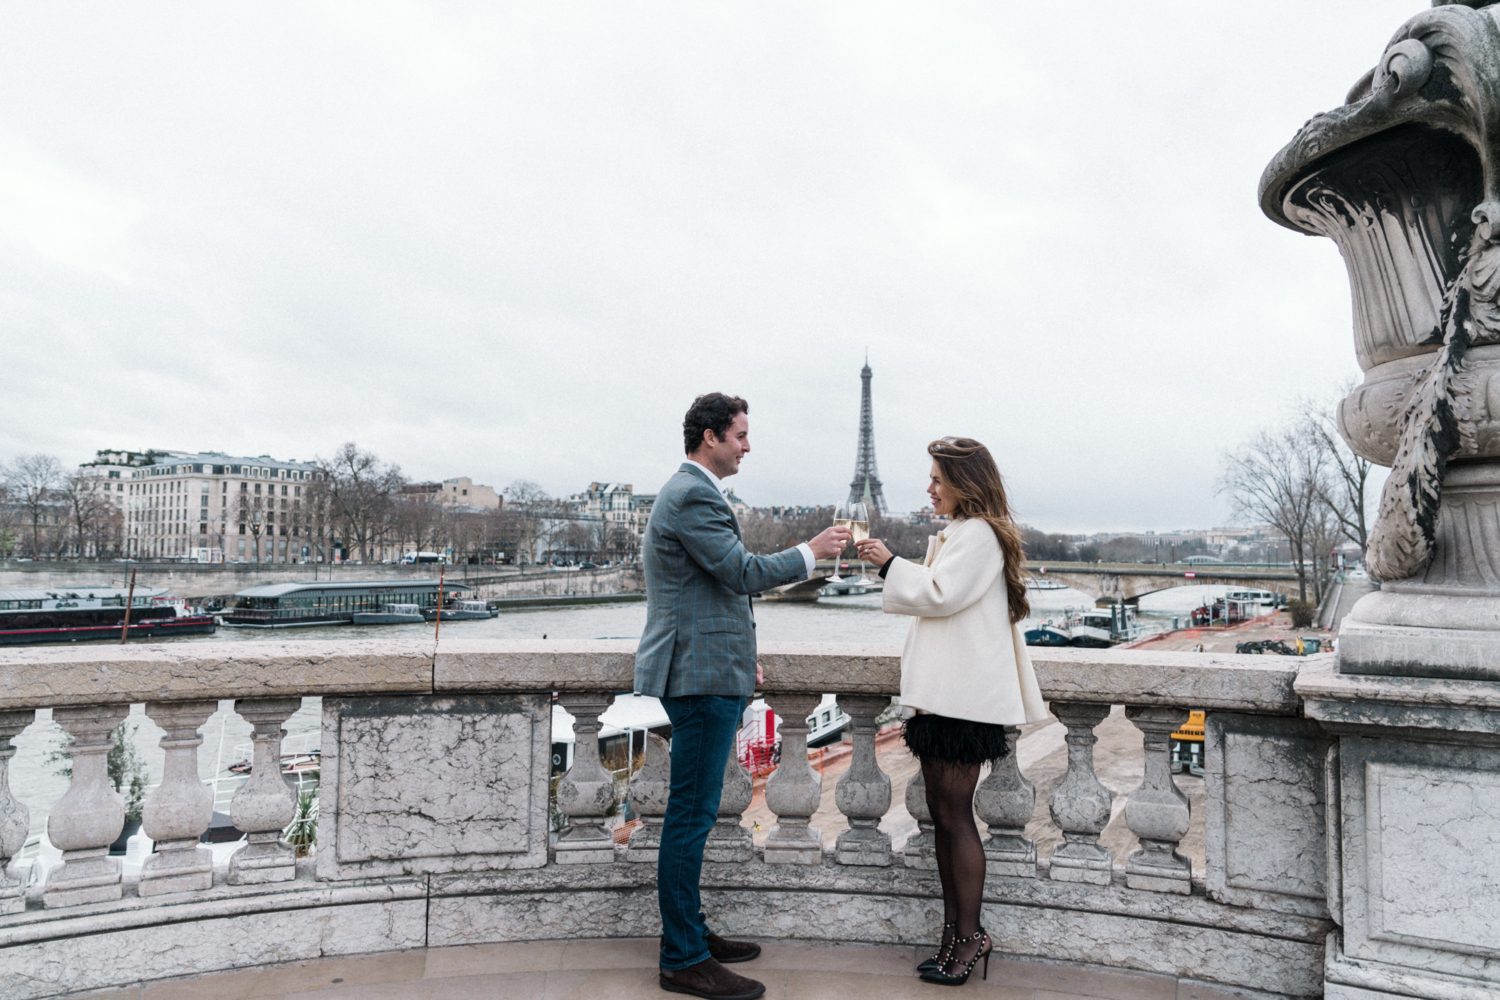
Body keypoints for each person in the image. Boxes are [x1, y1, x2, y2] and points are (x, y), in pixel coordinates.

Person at [636, 392, 851, 1000]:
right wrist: (814, 550)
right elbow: (742, 573)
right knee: (690, 817)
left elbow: (707, 594)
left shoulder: (692, 493)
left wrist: (737, 653)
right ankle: (682, 957)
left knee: (695, 814)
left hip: (712, 669)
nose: (748, 446)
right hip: (699, 680)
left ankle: (693, 935)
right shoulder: (693, 495)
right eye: (740, 435)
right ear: (710, 437)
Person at [855, 436, 1048, 987]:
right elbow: (940, 594)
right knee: (944, 817)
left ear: (965, 483)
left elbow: (939, 594)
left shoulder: (980, 535)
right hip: (950, 697)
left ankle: (969, 937)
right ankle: (954, 933)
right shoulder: (966, 532)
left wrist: (891, 561)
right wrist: (894, 565)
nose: (929, 488)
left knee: (955, 819)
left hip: (961, 703)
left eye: (937, 478)